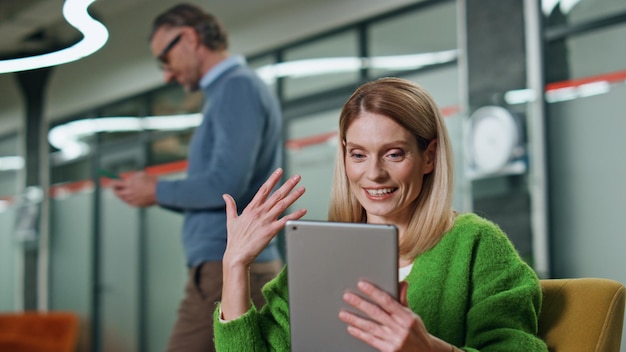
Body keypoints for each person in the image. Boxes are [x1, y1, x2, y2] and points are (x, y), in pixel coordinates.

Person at [213, 77, 548, 351]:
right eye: (358, 155)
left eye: (393, 154)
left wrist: (427, 349)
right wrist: (235, 266)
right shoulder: (322, 253)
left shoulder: (475, 243)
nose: (373, 174)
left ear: (429, 156)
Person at [110, 3, 283, 352]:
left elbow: (225, 186)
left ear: (189, 38)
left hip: (231, 266)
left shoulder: (236, 88)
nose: (167, 75)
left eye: (165, 59)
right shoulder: (230, 91)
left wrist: (157, 189)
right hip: (229, 264)